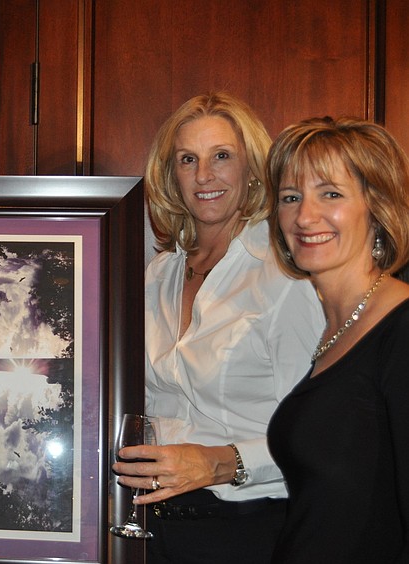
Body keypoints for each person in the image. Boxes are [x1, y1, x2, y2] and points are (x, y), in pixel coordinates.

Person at [111, 92, 324, 563]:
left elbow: (320, 434)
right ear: (172, 176)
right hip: (147, 528)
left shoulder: (285, 277)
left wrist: (218, 463)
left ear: (252, 170)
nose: (204, 175)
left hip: (248, 531)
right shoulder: (154, 276)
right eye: (188, 159)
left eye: (221, 156)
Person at [265, 117, 409, 563]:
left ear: (377, 206)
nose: (305, 216)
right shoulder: (336, 331)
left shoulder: (401, 327)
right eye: (291, 197)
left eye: (331, 193)